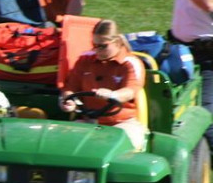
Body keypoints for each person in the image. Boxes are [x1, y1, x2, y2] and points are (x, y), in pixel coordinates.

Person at [143, 0, 213, 150]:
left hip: (209, 56)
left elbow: (209, 4)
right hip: (181, 50)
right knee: (173, 109)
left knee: (205, 118)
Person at [59, 20, 147, 151]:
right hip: (89, 121)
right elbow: (70, 88)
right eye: (94, 45)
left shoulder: (130, 63)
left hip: (123, 123)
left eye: (103, 46)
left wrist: (113, 95)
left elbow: (131, 91)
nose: (97, 50)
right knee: (63, 144)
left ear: (117, 42)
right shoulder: (84, 60)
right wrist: (68, 100)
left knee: (116, 147)